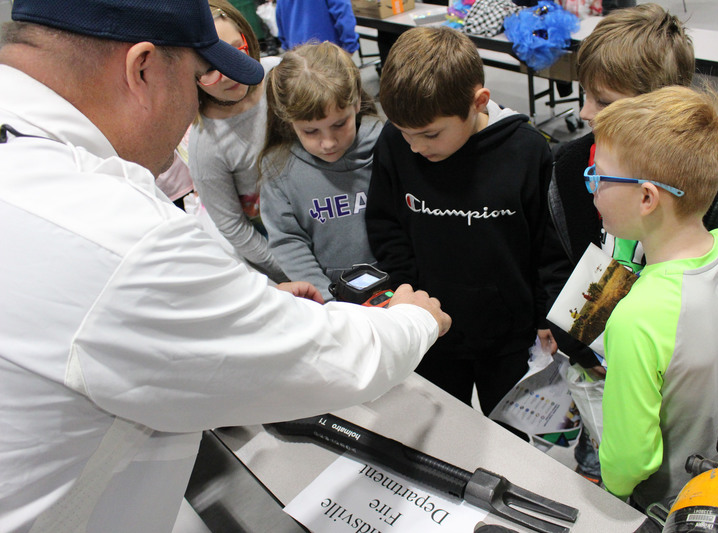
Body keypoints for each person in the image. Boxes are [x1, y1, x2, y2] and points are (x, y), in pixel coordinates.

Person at [0, 1, 452, 531]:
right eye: (196, 80)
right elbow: (328, 359)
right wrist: (412, 319)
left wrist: (244, 309)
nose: (198, 101)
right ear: (142, 69)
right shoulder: (121, 238)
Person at [539, 2, 718, 481]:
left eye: (603, 101)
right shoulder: (567, 168)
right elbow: (554, 256)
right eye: (585, 94)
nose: (584, 111)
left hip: (694, 407)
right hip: (601, 382)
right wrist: (576, 342)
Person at [589, 85, 718, 509]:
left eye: (600, 177)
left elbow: (630, 461)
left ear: (646, 197)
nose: (593, 190)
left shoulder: (637, 317)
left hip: (675, 502)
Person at [365, 26, 555, 416]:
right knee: (439, 426)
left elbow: (548, 243)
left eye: (430, 134)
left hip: (509, 337)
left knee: (510, 436)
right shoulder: (394, 143)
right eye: (405, 134)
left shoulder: (527, 151)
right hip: (430, 328)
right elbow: (385, 225)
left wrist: (545, 313)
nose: (415, 147)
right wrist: (407, 297)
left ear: (479, 102)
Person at [259, 42, 381, 301]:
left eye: (339, 124)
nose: (328, 142)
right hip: (334, 297)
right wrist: (327, 301)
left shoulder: (387, 143)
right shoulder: (278, 167)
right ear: (288, 121)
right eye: (310, 131)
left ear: (357, 101)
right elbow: (288, 241)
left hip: (403, 285)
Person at [189, 0, 287, 280]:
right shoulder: (207, 145)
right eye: (209, 67)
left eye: (235, 50)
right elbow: (234, 227)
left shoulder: (279, 74)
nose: (229, 71)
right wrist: (288, 268)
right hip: (276, 243)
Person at [276, 0, 360, 54]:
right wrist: (350, 46)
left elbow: (280, 20)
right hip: (327, 56)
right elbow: (344, 15)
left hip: (297, 56)